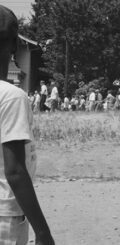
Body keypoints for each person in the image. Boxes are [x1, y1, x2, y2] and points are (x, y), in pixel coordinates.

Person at [0, 5, 55, 245]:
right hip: (5, 216)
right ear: (14, 44)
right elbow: (14, 171)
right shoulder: (11, 96)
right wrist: (43, 233)